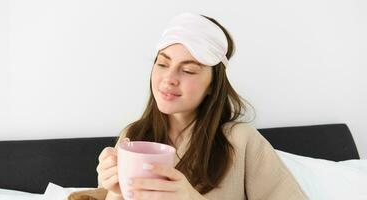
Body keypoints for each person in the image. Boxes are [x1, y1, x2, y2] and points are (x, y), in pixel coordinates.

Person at [96, 13, 309, 200]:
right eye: (162, 64)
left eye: (188, 70)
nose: (169, 79)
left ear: (212, 85)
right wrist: (116, 192)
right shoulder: (133, 136)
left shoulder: (241, 141)